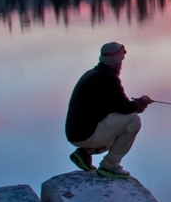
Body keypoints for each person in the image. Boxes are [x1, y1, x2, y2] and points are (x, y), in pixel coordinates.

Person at [65, 42, 152, 178]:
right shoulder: (108, 78)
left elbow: (116, 107)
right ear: (116, 62)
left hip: (75, 134)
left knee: (121, 125)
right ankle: (110, 166)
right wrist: (140, 102)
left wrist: (135, 105)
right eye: (121, 62)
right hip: (84, 135)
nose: (121, 65)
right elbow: (125, 108)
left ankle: (84, 153)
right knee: (133, 121)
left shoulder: (92, 74)